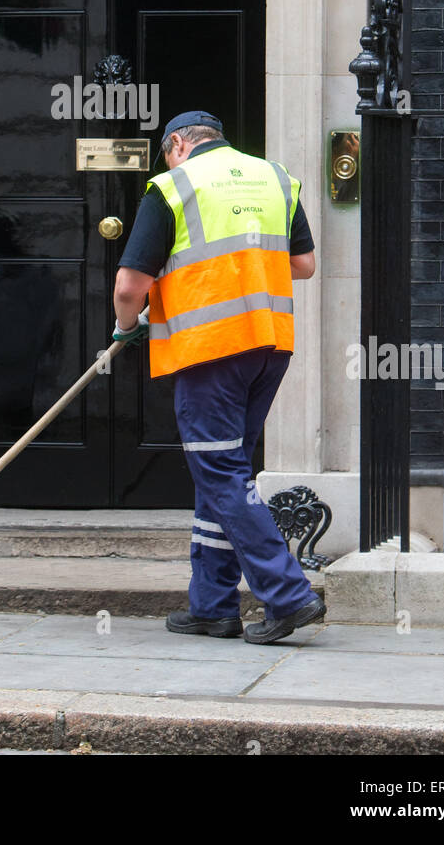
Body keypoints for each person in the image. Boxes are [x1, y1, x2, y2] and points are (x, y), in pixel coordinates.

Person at [111, 111, 325, 645]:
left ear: (178, 143)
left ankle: (288, 595)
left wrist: (126, 326)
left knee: (221, 472)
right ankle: (211, 606)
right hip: (269, 344)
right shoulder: (276, 177)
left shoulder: (172, 186)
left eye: (167, 151)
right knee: (223, 471)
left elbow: (129, 284)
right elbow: (304, 264)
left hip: (212, 350)